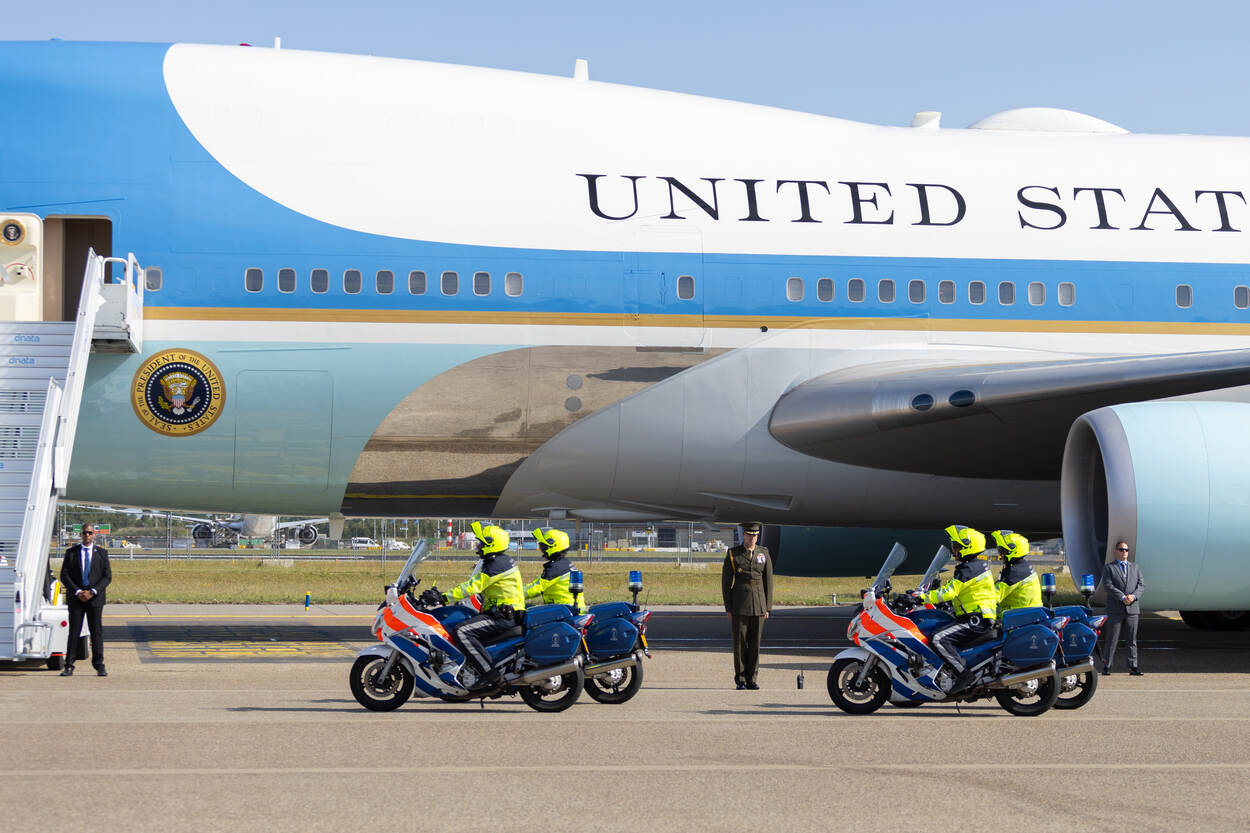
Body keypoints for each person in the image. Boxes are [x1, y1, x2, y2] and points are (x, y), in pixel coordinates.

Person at [430, 522, 526, 689]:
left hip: (503, 617)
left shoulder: (496, 565)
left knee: (461, 631)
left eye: (482, 542)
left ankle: (489, 673)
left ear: (491, 544)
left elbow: (473, 586)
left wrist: (443, 597)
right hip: (505, 614)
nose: (478, 546)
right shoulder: (499, 561)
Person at [924, 525, 998, 693]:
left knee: (938, 639)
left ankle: (964, 674)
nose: (954, 551)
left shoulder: (968, 569)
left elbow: (949, 592)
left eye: (957, 547)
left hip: (975, 621)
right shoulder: (976, 566)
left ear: (967, 548)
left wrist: (921, 596)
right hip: (979, 617)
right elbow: (965, 592)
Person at [721, 522, 773, 690]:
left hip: (758, 605)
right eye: (750, 535)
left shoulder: (763, 553)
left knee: (755, 644)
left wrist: (767, 607)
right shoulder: (733, 554)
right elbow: (726, 583)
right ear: (743, 535)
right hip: (739, 605)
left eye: (755, 535)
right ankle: (741, 679)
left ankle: (752, 678)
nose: (753, 538)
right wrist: (728, 608)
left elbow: (768, 582)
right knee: (740, 643)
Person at [58, 524, 111, 677]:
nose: (87, 535)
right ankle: (69, 665)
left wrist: (93, 591)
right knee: (74, 632)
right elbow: (64, 575)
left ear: (94, 535)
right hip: (76, 598)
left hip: (95, 598)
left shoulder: (102, 553)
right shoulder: (71, 553)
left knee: (96, 632)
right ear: (80, 535)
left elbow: (107, 576)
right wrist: (78, 591)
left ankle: (99, 665)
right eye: (84, 533)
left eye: (90, 533)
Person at [1101, 540, 1144, 676]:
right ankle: (1107, 666)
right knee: (1112, 639)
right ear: (1116, 551)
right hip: (1116, 609)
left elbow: (1141, 585)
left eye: (1126, 550)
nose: (1124, 552)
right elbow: (1108, 585)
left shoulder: (1135, 567)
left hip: (1132, 609)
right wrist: (1122, 597)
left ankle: (1133, 666)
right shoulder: (1109, 568)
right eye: (1121, 549)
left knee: (1132, 639)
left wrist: (1133, 597)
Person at [527, 528, 587, 613]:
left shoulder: (556, 568)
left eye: (543, 546)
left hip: (565, 613)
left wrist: (515, 594)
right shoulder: (564, 564)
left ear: (553, 546)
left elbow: (535, 588)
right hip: (572, 610)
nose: (541, 549)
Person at [991, 530, 1042, 612]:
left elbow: (995, 596)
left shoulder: (1015, 571)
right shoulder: (1020, 566)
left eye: (1002, 552)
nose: (1000, 555)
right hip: (1027, 614)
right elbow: (999, 585)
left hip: (1020, 618)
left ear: (1013, 551)